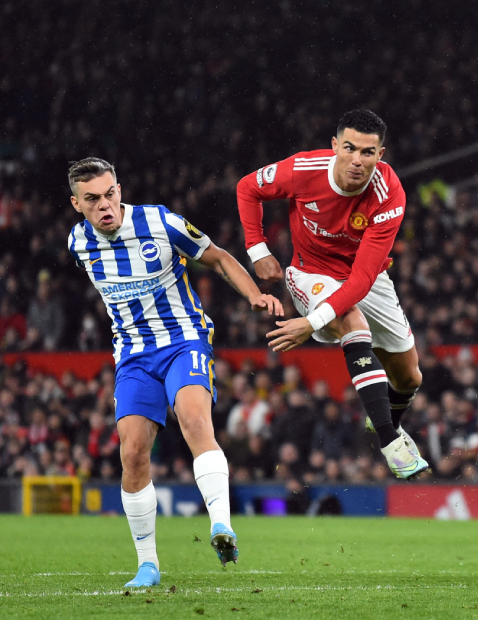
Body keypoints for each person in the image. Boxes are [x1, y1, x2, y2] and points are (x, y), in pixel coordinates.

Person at [65, 157, 283, 587]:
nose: (105, 205)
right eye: (92, 199)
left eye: (110, 194)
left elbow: (217, 258)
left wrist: (253, 295)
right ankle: (147, 565)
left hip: (184, 340)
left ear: (119, 189)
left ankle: (221, 525)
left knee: (194, 420)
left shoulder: (160, 222)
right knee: (132, 453)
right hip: (132, 354)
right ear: (77, 204)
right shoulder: (77, 243)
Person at [236, 108, 427, 478]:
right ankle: (391, 442)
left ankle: (384, 418)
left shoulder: (389, 194)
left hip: (363, 276)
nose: (357, 160)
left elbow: (362, 280)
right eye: (350, 148)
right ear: (335, 145)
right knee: (352, 322)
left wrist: (310, 323)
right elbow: (247, 188)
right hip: (311, 271)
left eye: (367, 152)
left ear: (380, 155)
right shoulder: (302, 170)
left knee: (410, 378)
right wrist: (258, 250)